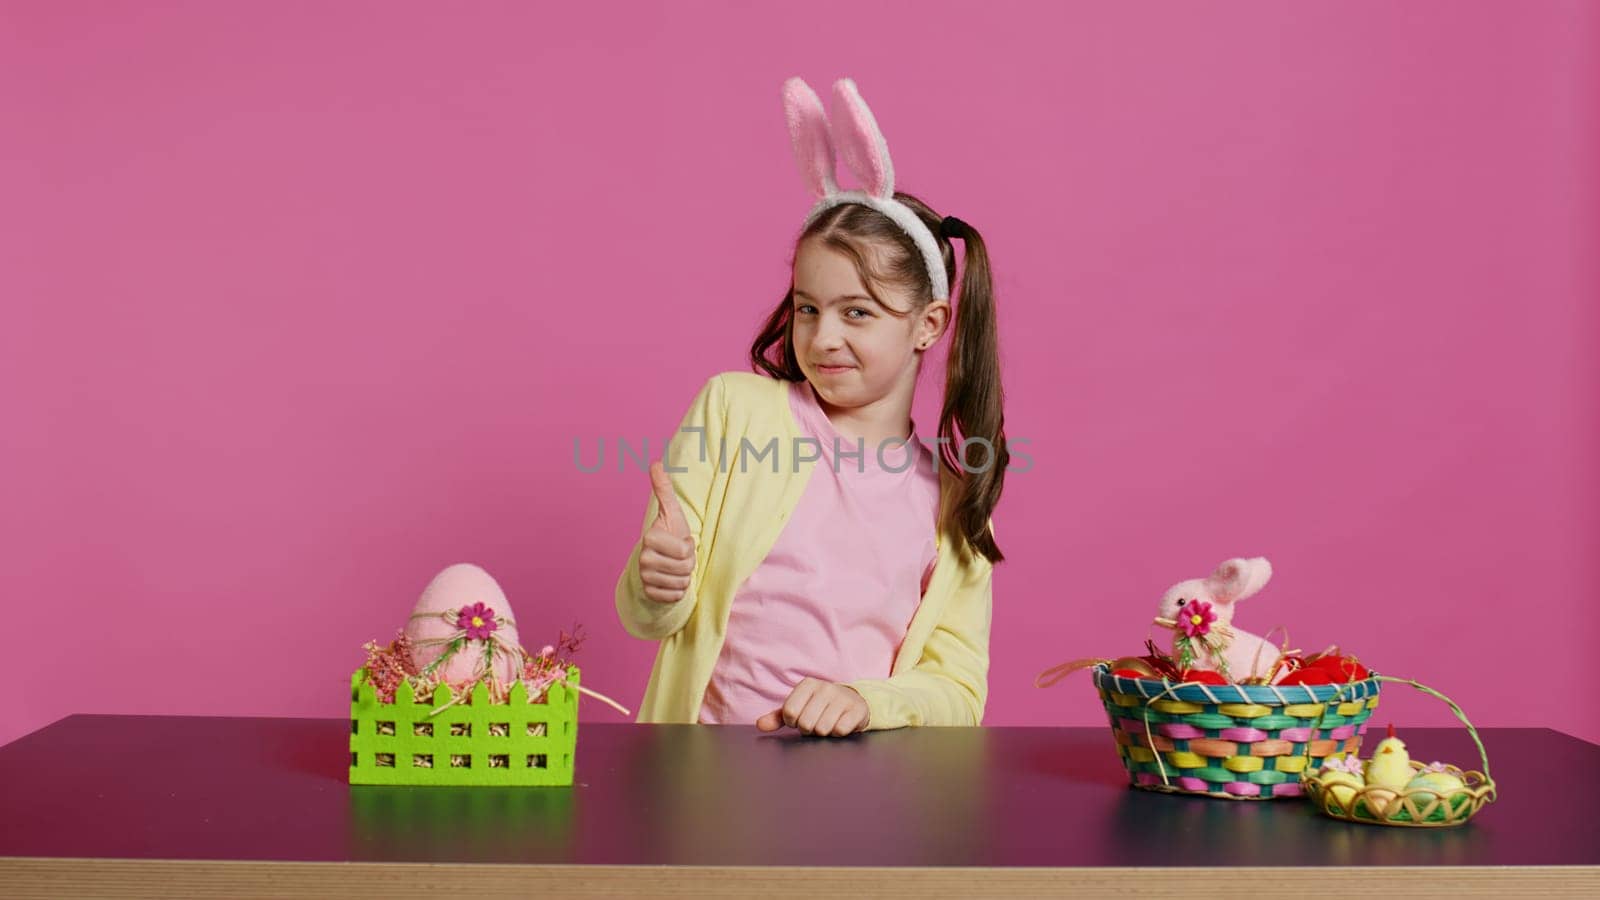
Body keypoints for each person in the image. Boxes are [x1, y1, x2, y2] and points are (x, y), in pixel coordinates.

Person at [614, 77, 1009, 737]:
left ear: (928, 324)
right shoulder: (735, 411)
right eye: (808, 308)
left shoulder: (953, 499)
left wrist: (868, 700)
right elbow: (649, 618)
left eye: (857, 312)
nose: (823, 337)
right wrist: (658, 580)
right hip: (704, 785)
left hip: (860, 807)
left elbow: (959, 692)